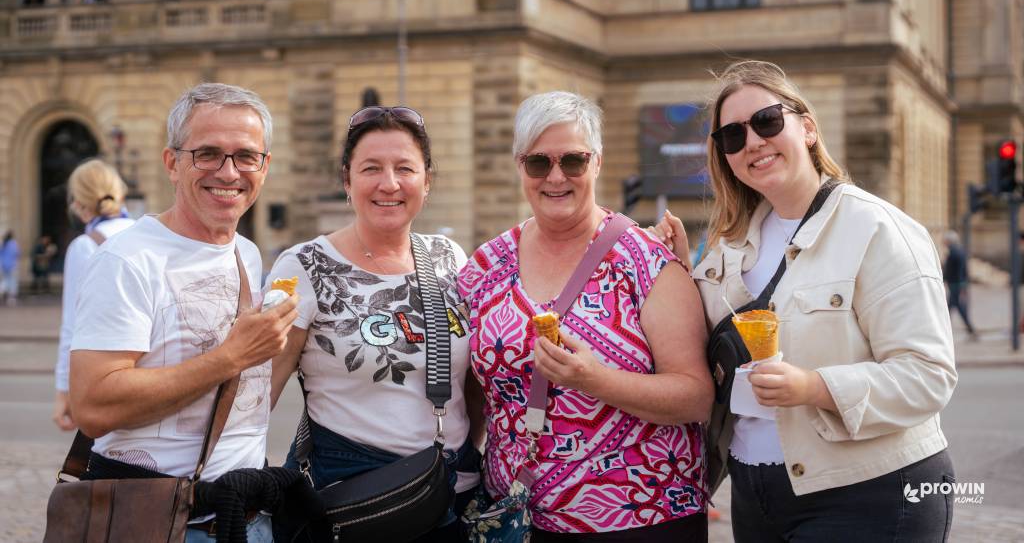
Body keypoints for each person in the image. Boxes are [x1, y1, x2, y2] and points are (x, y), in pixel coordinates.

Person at [656, 60, 957, 542]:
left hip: (868, 492)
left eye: (767, 121)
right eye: (732, 136)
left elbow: (929, 375)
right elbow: (710, 346)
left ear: (808, 128)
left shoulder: (877, 228)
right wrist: (678, 272)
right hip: (754, 493)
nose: (752, 141)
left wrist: (814, 386)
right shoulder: (726, 246)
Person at [458, 91, 713, 540]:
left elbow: (695, 396)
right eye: (539, 163)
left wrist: (594, 379)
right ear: (520, 166)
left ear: (596, 162)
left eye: (572, 161)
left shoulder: (645, 260)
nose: (556, 177)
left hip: (642, 517)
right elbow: (475, 394)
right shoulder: (486, 266)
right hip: (517, 520)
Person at [69, 83, 299, 541]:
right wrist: (231, 357)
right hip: (159, 522)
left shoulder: (248, 255)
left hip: (244, 519)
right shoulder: (128, 260)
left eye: (246, 156)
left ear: (265, 166)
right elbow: (93, 405)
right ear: (172, 163)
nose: (229, 171)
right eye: (208, 154)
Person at [266, 105, 482, 542]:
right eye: (371, 168)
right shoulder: (307, 266)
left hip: (450, 496)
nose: (390, 183)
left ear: (427, 180)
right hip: (355, 502)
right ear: (347, 180)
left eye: (405, 168)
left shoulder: (449, 258)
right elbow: (260, 391)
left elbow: (471, 381)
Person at [52, 159, 135, 431]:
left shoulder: (85, 246)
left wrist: (64, 390)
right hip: (152, 372)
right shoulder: (147, 232)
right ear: (120, 193)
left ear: (77, 204)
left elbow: (72, 324)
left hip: (107, 374)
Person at [943, 230, 976, 339]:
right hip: (958, 283)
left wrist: (950, 281)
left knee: (955, 307)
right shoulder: (959, 251)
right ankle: (946, 328)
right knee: (951, 307)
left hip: (955, 284)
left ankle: (969, 329)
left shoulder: (954, 252)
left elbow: (953, 270)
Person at [0, 231, 19, 306]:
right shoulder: (13, 244)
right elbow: (17, 253)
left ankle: (2, 290)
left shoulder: (3, 243)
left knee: (5, 280)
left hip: (4, 265)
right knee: (12, 281)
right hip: (12, 265)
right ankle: (11, 297)